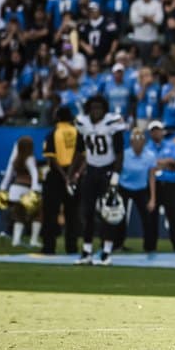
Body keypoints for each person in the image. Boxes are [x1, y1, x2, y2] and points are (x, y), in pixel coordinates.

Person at [72, 95, 127, 265]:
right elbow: (79, 151)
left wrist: (116, 176)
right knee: (87, 212)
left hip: (107, 171)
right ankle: (86, 251)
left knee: (109, 213)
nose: (96, 112)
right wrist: (71, 175)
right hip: (91, 170)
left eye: (99, 108)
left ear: (104, 109)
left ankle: (106, 252)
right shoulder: (82, 123)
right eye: (93, 108)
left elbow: (119, 152)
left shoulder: (112, 123)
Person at [41, 105, 82, 255]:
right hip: (75, 175)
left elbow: (51, 159)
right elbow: (83, 156)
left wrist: (65, 177)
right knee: (73, 214)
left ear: (57, 117)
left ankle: (48, 247)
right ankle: (72, 247)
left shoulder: (53, 133)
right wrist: (75, 175)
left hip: (57, 176)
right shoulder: (77, 132)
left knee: (51, 214)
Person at [147, 121, 175, 253]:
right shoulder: (147, 146)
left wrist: (158, 163)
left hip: (170, 183)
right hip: (154, 184)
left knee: (173, 214)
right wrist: (165, 163)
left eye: (158, 130)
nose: (156, 133)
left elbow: (174, 162)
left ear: (162, 131)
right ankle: (150, 246)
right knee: (152, 216)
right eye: (153, 130)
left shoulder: (172, 145)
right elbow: (150, 165)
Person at [118, 129, 158, 255]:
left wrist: (152, 198)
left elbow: (152, 177)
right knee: (119, 217)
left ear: (144, 142)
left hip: (141, 189)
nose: (137, 144)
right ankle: (117, 244)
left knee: (147, 218)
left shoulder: (150, 156)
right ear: (131, 142)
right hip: (124, 187)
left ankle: (149, 247)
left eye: (140, 141)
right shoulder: (125, 155)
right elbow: (118, 172)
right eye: (135, 141)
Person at [0, 136, 41, 249]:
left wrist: (2, 187)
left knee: (18, 216)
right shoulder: (30, 159)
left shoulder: (14, 160)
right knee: (37, 215)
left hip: (14, 190)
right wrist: (35, 188)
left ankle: (16, 240)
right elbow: (34, 173)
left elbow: (9, 175)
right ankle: (34, 240)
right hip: (27, 189)